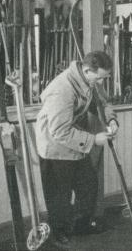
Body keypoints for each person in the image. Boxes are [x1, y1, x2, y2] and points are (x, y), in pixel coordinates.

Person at [35, 51, 119, 246]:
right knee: (59, 195)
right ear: (88, 70)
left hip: (74, 142)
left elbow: (102, 103)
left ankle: (81, 225)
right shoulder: (62, 89)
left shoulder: (88, 81)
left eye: (104, 78)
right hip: (54, 146)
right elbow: (59, 131)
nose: (101, 82)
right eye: (100, 78)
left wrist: (111, 119)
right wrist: (93, 140)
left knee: (88, 186)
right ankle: (59, 233)